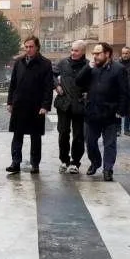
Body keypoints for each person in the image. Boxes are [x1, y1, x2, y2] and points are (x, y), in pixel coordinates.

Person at [75, 42, 130, 181]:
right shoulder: (91, 68)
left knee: (110, 144)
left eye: (98, 54)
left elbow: (124, 92)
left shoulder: (119, 69)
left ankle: (108, 169)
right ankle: (95, 162)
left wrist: (121, 110)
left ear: (107, 54)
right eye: (94, 53)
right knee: (91, 142)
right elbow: (78, 82)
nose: (95, 56)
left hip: (110, 113)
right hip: (92, 112)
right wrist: (88, 67)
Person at [6, 36, 54, 174]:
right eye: (26, 47)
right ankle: (15, 163)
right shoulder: (19, 62)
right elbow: (13, 84)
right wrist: (10, 102)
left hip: (36, 106)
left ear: (37, 47)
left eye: (31, 46)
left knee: (35, 136)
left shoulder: (45, 63)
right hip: (19, 104)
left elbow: (48, 87)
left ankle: (35, 164)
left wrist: (45, 106)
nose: (28, 49)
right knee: (17, 135)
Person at [53, 40, 88, 174]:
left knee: (78, 135)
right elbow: (51, 75)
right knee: (63, 133)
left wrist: (88, 92)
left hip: (80, 105)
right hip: (64, 104)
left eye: (76, 51)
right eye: (72, 50)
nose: (73, 53)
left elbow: (93, 81)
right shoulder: (63, 63)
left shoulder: (88, 65)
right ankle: (64, 160)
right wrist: (56, 85)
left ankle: (75, 162)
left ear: (83, 52)